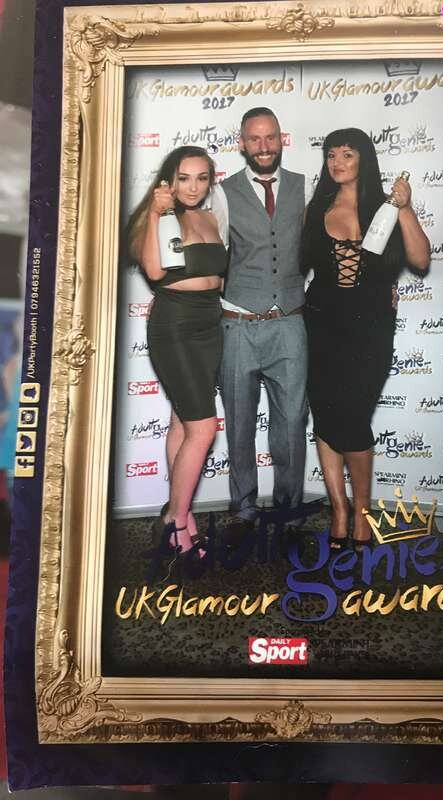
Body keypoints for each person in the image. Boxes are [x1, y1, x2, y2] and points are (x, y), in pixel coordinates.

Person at [302, 128, 431, 550]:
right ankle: (339, 510)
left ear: (364, 160)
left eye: (347, 154)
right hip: (321, 324)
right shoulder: (316, 208)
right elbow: (293, 265)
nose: (337, 162)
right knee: (325, 413)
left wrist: (405, 208)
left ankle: (361, 510)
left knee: (354, 417)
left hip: (370, 326)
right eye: (331, 154)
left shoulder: (386, 207)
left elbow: (420, 259)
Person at [127, 145, 228, 575]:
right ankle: (177, 521)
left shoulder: (210, 218)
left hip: (210, 325)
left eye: (202, 178)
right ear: (169, 179)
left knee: (182, 424)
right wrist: (155, 213)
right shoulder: (157, 216)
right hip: (176, 327)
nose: (193, 187)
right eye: (184, 178)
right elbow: (154, 272)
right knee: (204, 429)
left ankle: (178, 515)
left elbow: (218, 277)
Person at [218, 107, 308, 547]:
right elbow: (210, 254)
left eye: (270, 137)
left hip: (289, 321)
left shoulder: (304, 187)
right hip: (238, 323)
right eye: (254, 139)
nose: (264, 146)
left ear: (281, 138)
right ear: (242, 143)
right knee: (238, 423)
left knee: (291, 423)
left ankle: (289, 511)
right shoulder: (222, 193)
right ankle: (243, 508)